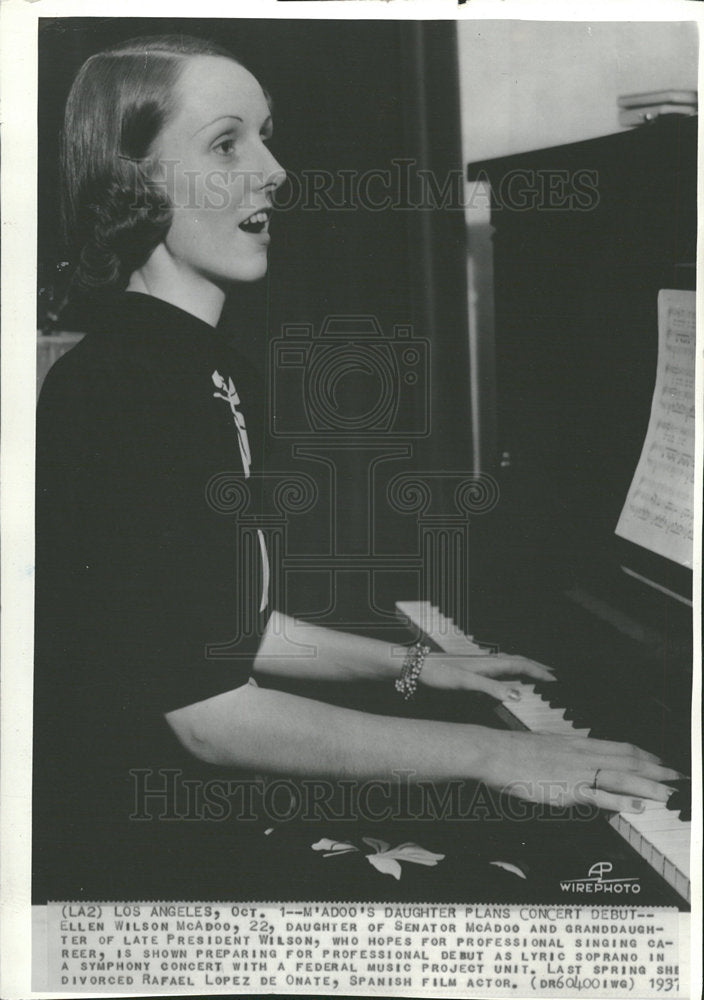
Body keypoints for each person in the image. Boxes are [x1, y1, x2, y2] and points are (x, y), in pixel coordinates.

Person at [34, 33, 680, 903]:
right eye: (228, 143)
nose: (274, 170)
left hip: (192, 816)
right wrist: (502, 754)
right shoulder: (129, 385)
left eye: (267, 135)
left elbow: (225, 629)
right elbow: (208, 716)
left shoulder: (196, 364)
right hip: (141, 854)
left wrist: (417, 669)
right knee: (566, 891)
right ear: (136, 181)